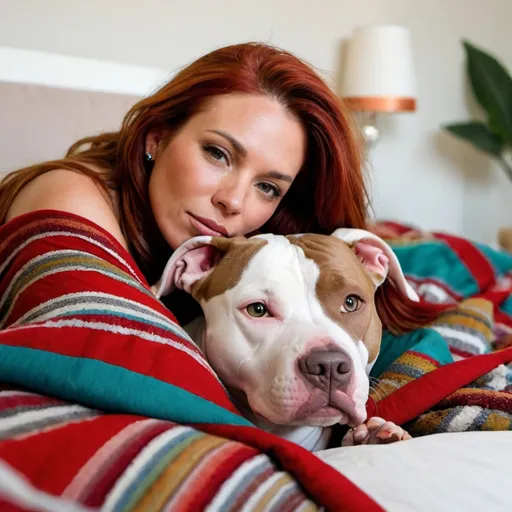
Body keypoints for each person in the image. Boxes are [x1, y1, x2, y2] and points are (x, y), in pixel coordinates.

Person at [0, 42, 373, 322]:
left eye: (268, 187)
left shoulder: (249, 247)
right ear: (157, 137)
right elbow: (105, 348)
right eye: (217, 153)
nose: (234, 201)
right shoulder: (69, 198)